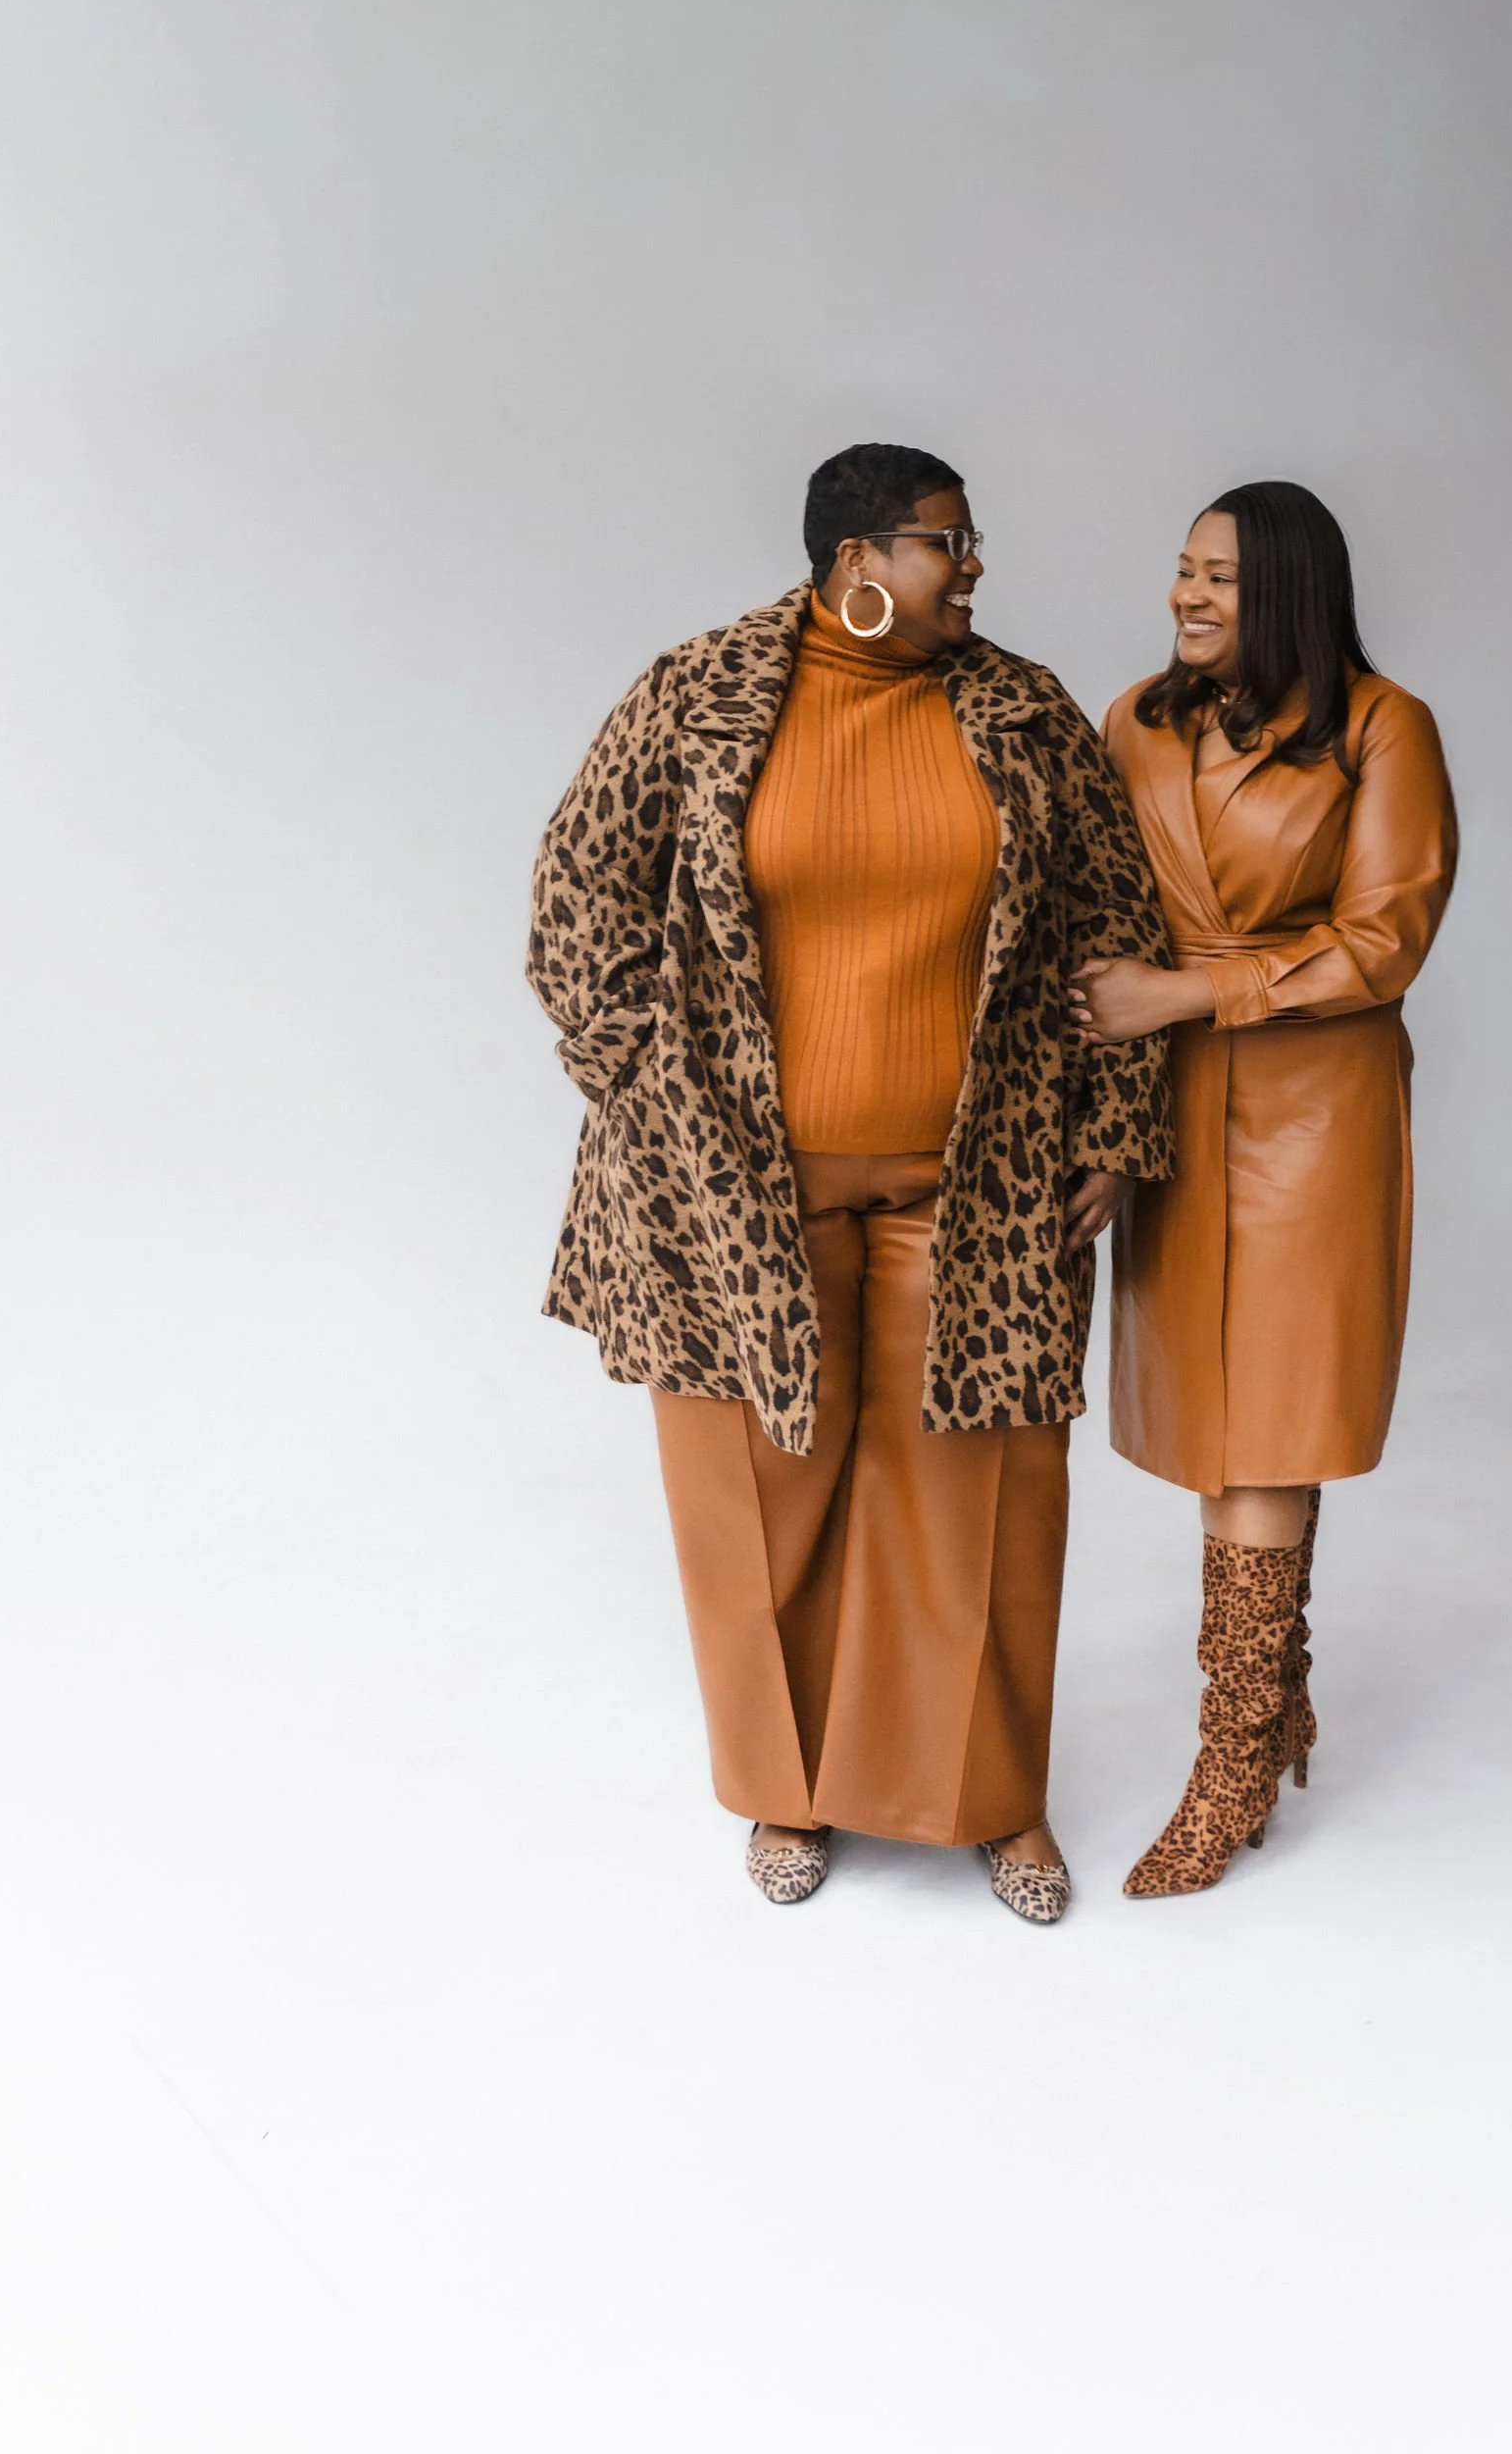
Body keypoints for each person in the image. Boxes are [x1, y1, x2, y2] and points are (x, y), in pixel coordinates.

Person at [529, 442, 1174, 1922]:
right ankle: (786, 1792)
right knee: (758, 1497)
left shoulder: (1023, 708)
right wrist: (656, 1098)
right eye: (951, 542)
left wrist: (1114, 1126)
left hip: (982, 1178)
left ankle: (990, 1799)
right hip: (731, 1197)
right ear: (859, 564)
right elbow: (578, 900)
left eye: (971, 540)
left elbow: (1114, 923)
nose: (977, 566)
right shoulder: (695, 693)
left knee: (982, 1503)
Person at [1070, 481, 1456, 1898]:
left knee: (1265, 1425)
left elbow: (1385, 940)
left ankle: (1229, 1765)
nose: (1188, 596)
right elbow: (1103, 918)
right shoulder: (1138, 719)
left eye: (1221, 578)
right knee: (1213, 1425)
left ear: (1289, 588)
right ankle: (1273, 1700)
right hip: (1174, 1106)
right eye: (1180, 570)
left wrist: (1186, 988)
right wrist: (1105, 1125)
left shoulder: (1380, 726)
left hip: (1312, 1117)